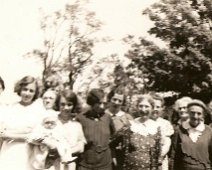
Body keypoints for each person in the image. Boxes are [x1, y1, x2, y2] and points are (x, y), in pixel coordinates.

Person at [0, 76, 43, 170]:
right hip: (8, 153)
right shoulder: (10, 108)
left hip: (28, 155)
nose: (27, 93)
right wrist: (26, 133)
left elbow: (38, 136)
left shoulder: (39, 110)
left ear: (36, 93)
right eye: (25, 89)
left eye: (31, 91)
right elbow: (2, 133)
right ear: (20, 89)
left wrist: (11, 134)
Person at [112, 94, 162, 170]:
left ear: (152, 108)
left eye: (146, 106)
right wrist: (114, 159)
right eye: (141, 106)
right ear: (137, 108)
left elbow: (158, 153)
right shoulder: (129, 125)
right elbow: (112, 142)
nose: (143, 109)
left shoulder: (156, 127)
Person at [46, 89, 86, 170]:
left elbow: (81, 147)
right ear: (58, 104)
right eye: (62, 104)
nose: (66, 108)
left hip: (69, 165)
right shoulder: (50, 121)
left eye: (69, 104)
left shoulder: (76, 125)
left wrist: (64, 152)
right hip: (52, 164)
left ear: (74, 105)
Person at [77, 88, 115, 170]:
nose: (102, 106)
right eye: (99, 103)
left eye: (104, 103)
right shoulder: (81, 118)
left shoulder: (107, 118)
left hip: (105, 164)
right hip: (85, 164)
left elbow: (113, 138)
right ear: (92, 102)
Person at [170, 99, 212, 170]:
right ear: (188, 113)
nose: (195, 116)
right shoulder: (179, 130)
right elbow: (174, 156)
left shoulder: (209, 131)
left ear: (203, 115)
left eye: (199, 113)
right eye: (192, 113)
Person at [105, 87, 133, 169]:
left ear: (123, 103)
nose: (116, 103)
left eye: (120, 101)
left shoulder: (128, 118)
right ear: (110, 99)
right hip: (103, 153)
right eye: (114, 99)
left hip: (120, 155)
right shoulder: (102, 115)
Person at [151, 94, 174, 170]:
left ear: (162, 108)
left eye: (158, 107)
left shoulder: (165, 124)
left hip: (160, 160)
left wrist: (159, 155)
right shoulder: (143, 122)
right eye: (153, 106)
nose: (155, 109)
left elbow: (167, 144)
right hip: (145, 159)